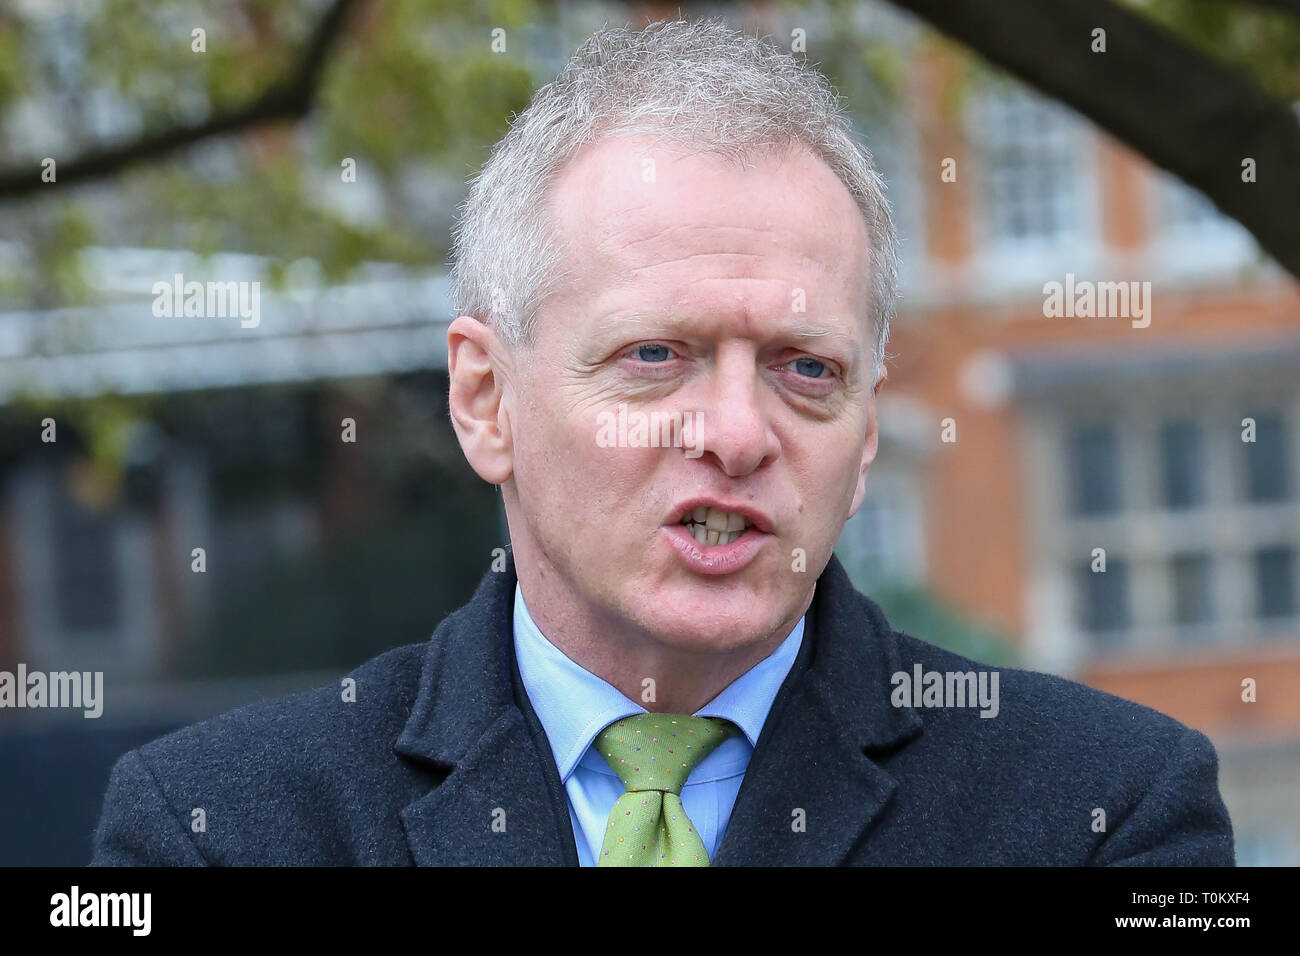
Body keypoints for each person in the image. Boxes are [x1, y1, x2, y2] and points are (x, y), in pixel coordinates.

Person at [91, 17, 1234, 866]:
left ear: (867, 428)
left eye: (806, 369)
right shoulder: (217, 829)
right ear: (486, 399)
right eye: (655, 356)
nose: (737, 434)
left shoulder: (1107, 809)